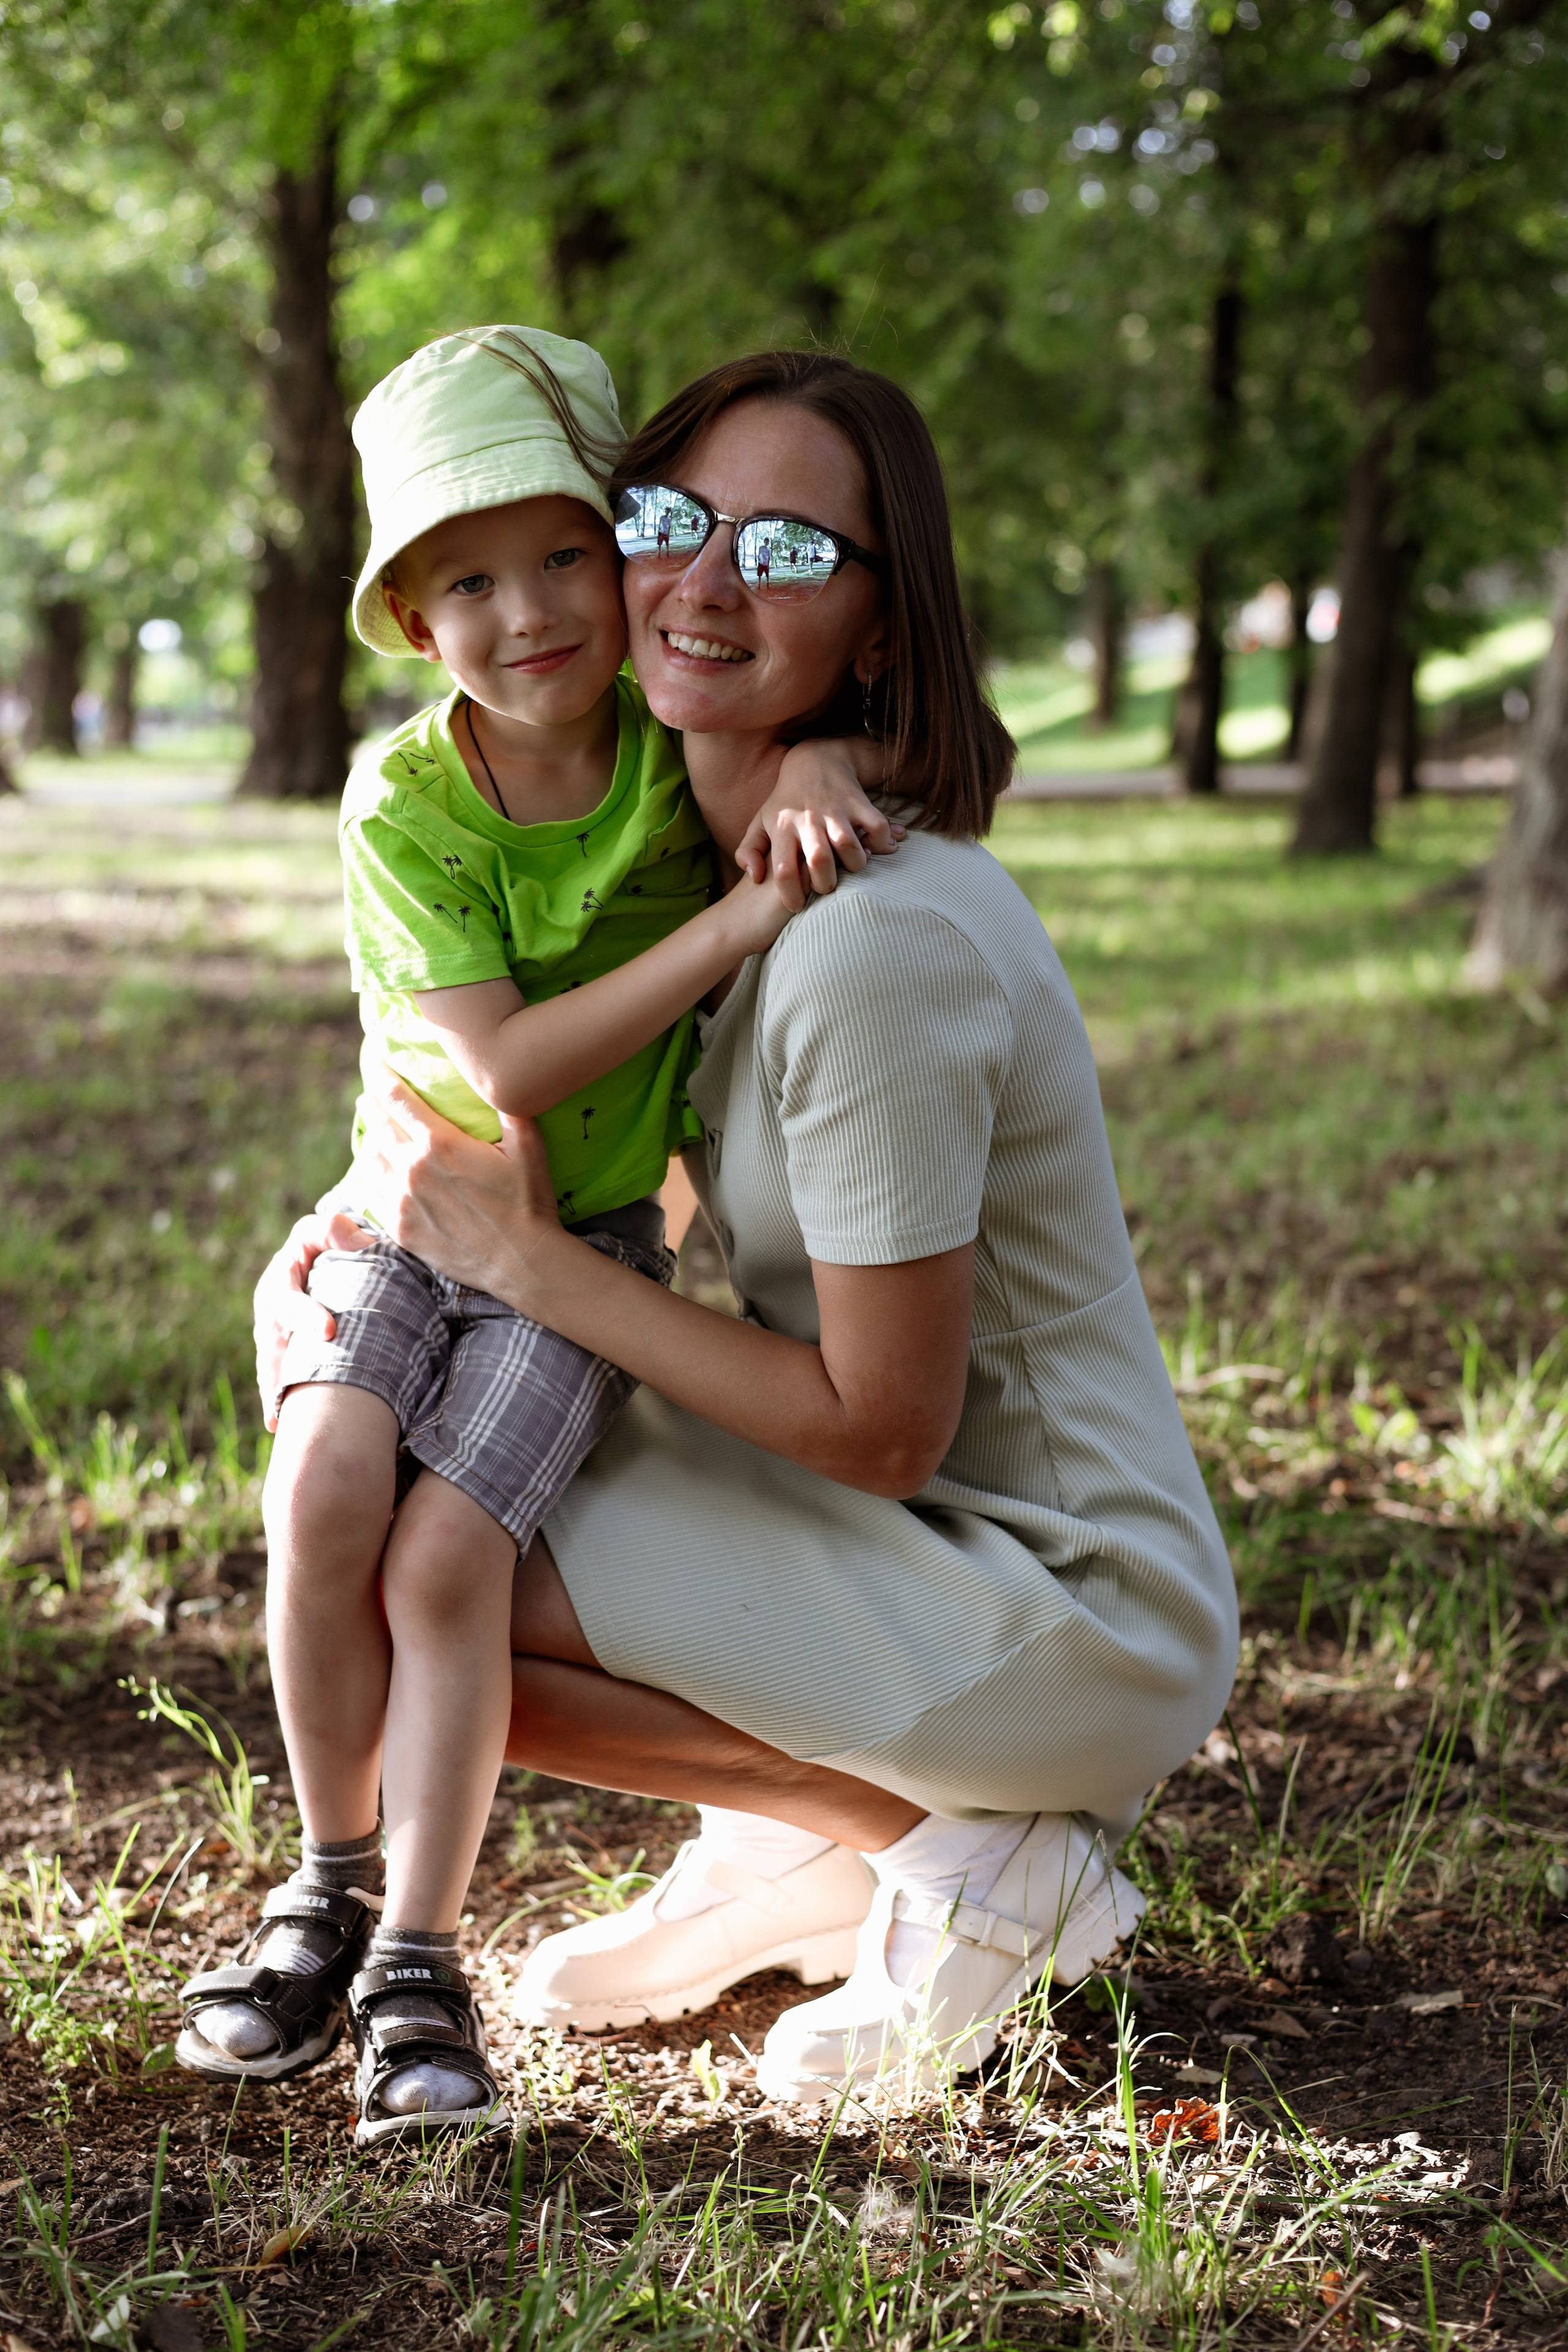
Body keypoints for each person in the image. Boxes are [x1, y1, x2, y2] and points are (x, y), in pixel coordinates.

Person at [259, 348, 1239, 2109]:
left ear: (879, 626)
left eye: (785, 551)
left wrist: (525, 1263)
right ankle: (801, 1852)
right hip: (936, 1535)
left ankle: (965, 1849)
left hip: (1067, 1603)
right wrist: (402, 1213)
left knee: (439, 1573)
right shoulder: (720, 876)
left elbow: (881, 1429)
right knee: (385, 1475)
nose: (703, 581)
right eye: (667, 522)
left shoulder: (869, 942)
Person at [177, 326, 895, 2145]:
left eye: (568, 553)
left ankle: (424, 1952)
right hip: (414, 1213)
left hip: (580, 1255)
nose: (532, 613)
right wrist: (726, 940)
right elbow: (497, 1064)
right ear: (417, 626)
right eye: (468, 583)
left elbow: (842, 719)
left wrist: (830, 763)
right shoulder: (408, 799)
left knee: (443, 1566)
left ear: (625, 551)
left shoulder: (674, 749)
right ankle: (327, 1884)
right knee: (325, 1480)